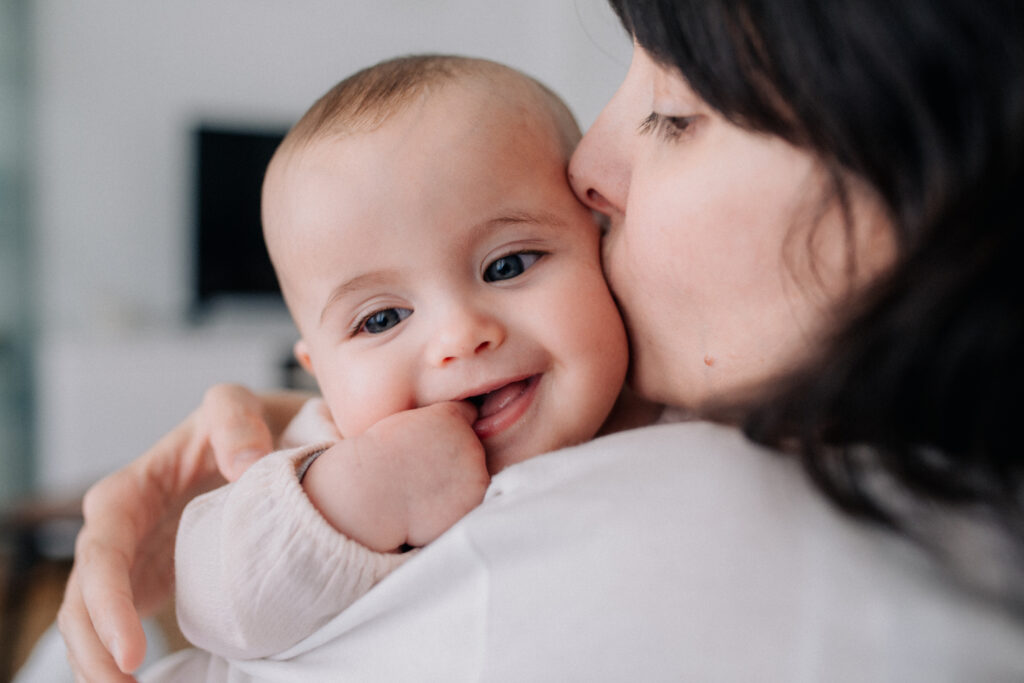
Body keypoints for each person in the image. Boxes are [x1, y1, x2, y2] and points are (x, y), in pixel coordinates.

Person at [55, 0, 1024, 681]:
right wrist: (334, 488)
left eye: (676, 115)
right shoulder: (334, 448)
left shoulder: (802, 543)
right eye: (381, 318)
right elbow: (220, 591)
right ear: (315, 360)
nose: (589, 168)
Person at [141, 54, 657, 677]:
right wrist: (356, 497)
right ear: (320, 373)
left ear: (602, 240)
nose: (460, 337)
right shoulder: (330, 449)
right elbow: (214, 603)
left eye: (508, 265)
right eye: (382, 319)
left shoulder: (663, 410)